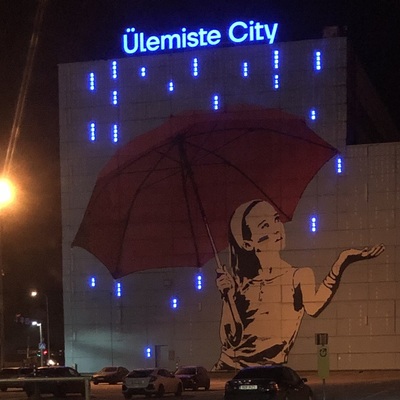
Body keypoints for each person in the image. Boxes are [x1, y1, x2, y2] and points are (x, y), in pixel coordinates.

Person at [213, 199, 385, 370]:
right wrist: (227, 297)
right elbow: (230, 340)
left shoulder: (298, 276)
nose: (277, 229)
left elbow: (314, 307)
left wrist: (342, 261)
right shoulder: (238, 283)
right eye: (265, 226)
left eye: (276, 219)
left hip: (271, 370)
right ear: (248, 244)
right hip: (229, 369)